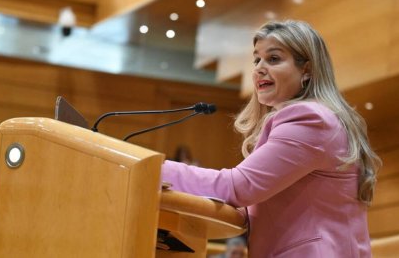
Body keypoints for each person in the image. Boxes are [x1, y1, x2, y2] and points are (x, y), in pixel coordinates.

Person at [161, 20, 382, 257]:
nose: (258, 68)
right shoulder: (320, 117)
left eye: (273, 59)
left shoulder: (310, 119)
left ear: (306, 69)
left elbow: (239, 187)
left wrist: (154, 168)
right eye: (257, 59)